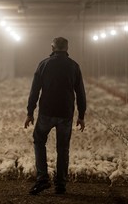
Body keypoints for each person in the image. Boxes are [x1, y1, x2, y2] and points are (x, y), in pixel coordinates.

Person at [24, 37, 87, 195]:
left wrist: (30, 112)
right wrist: (81, 115)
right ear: (67, 48)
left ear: (52, 47)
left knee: (39, 141)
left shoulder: (44, 64)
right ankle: (61, 184)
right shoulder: (74, 66)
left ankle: (43, 178)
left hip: (47, 111)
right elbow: (80, 92)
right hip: (66, 113)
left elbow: (34, 90)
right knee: (63, 148)